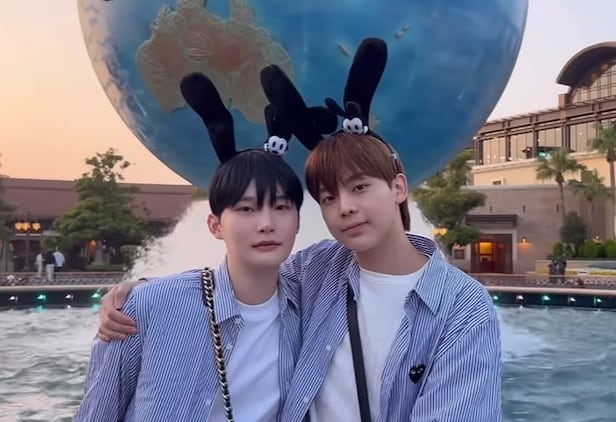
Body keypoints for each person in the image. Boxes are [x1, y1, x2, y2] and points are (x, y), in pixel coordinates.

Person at [97, 38, 501, 421]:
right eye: (328, 197)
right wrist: (140, 293)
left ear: (398, 187)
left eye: (360, 187)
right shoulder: (319, 270)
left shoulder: (462, 307)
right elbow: (240, 282)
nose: (345, 207)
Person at [74, 69, 336, 421]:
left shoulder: (309, 304)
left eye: (280, 207)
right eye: (246, 209)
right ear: (215, 225)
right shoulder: (147, 308)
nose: (266, 223)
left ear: (298, 221)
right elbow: (98, 413)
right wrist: (136, 292)